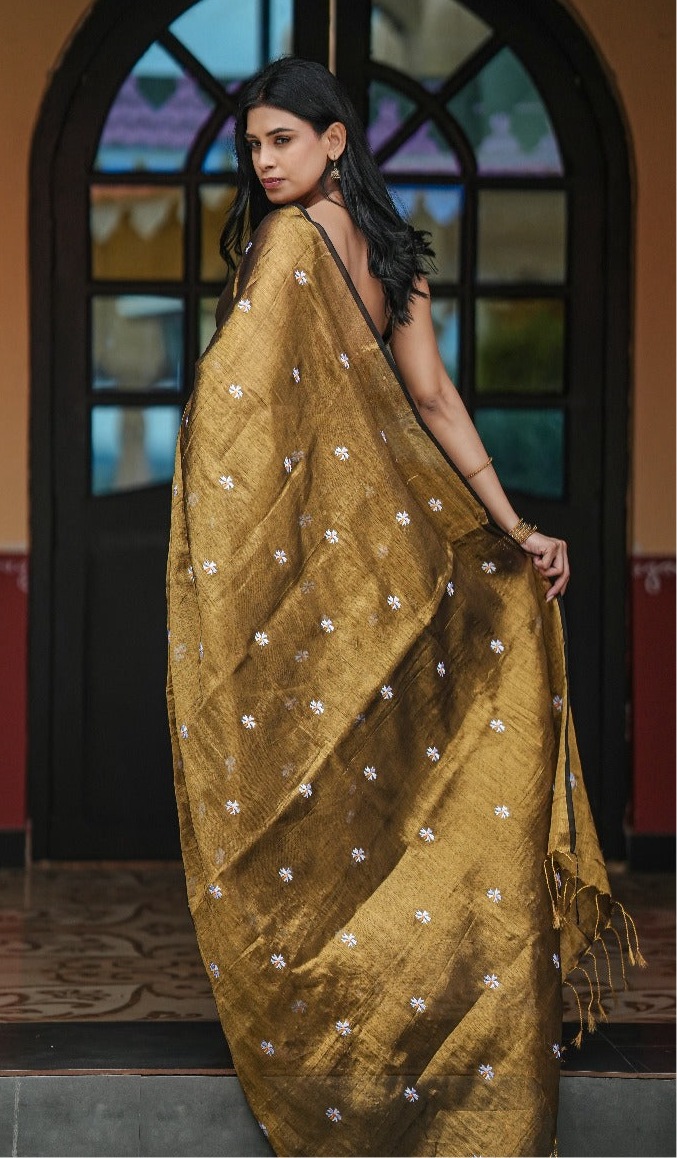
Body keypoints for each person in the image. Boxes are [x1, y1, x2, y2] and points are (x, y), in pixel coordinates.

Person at [167, 56, 641, 1158]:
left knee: (310, 781)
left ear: (334, 140)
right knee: (393, 786)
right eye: (252, 145)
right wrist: (511, 525)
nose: (263, 162)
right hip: (386, 565)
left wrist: (226, 554)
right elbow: (428, 399)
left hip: (332, 572)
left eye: (282, 139)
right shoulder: (389, 256)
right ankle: (420, 1002)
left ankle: (334, 1011)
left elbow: (236, 414)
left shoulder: (291, 245)